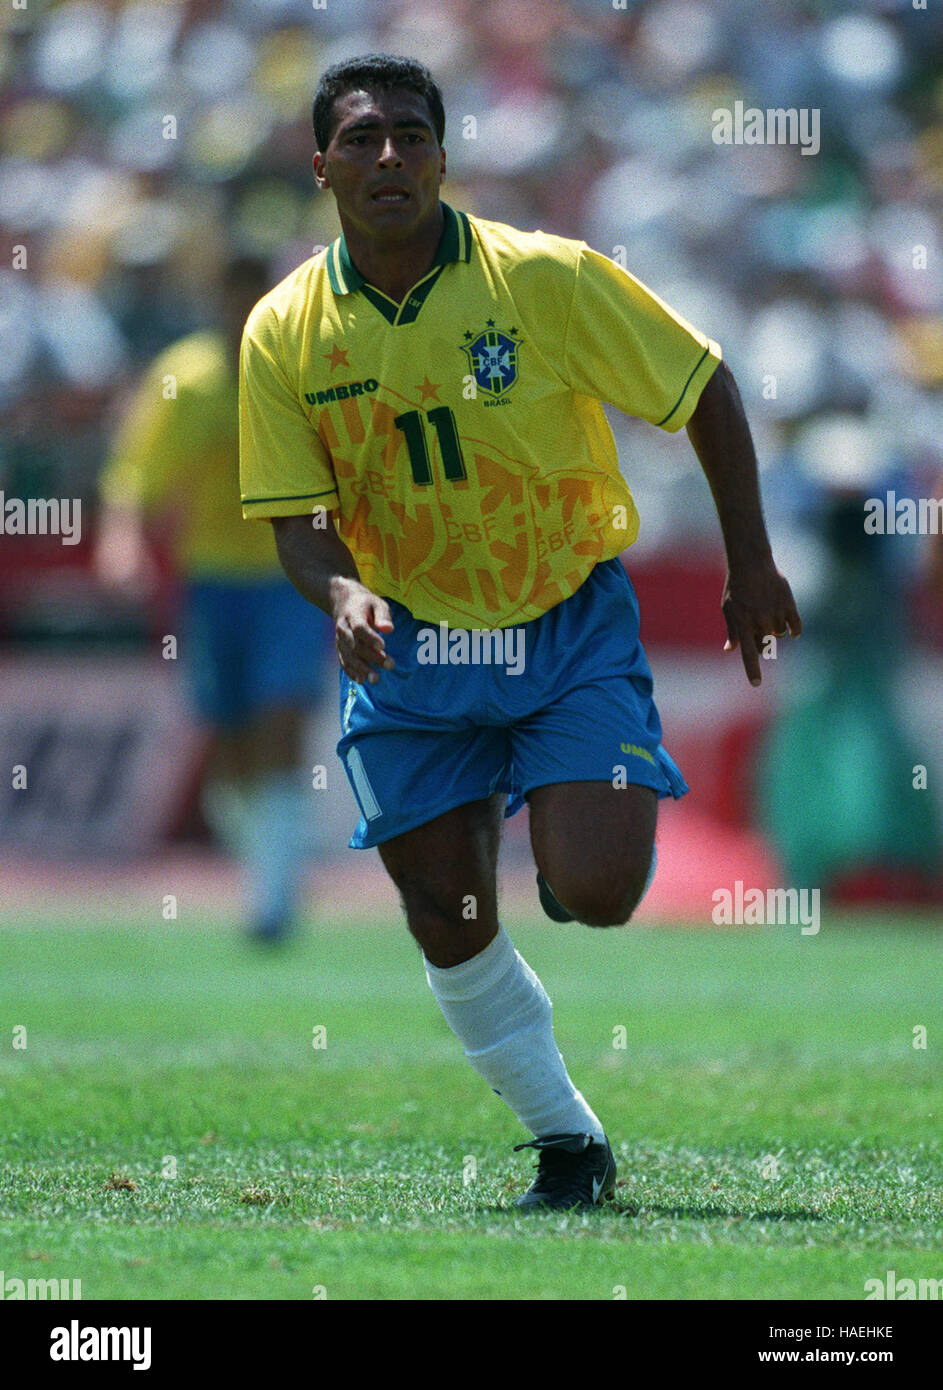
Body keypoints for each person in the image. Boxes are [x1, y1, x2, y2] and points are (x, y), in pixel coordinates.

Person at [238, 55, 801, 1207]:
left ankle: (557, 828)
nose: (387, 156)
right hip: (410, 644)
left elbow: (703, 386)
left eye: (409, 135)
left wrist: (749, 558)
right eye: (361, 139)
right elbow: (297, 521)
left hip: (561, 620)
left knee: (595, 889)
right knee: (447, 917)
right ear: (321, 167)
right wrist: (342, 592)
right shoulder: (283, 333)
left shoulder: (544, 279)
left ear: (445, 156)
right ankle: (566, 1140)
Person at [97, 256, 329, 944]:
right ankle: (267, 858)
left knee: (280, 715)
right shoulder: (186, 379)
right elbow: (137, 471)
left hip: (292, 575)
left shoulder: (306, 367)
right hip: (212, 580)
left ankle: (274, 897)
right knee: (228, 739)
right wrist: (122, 544)